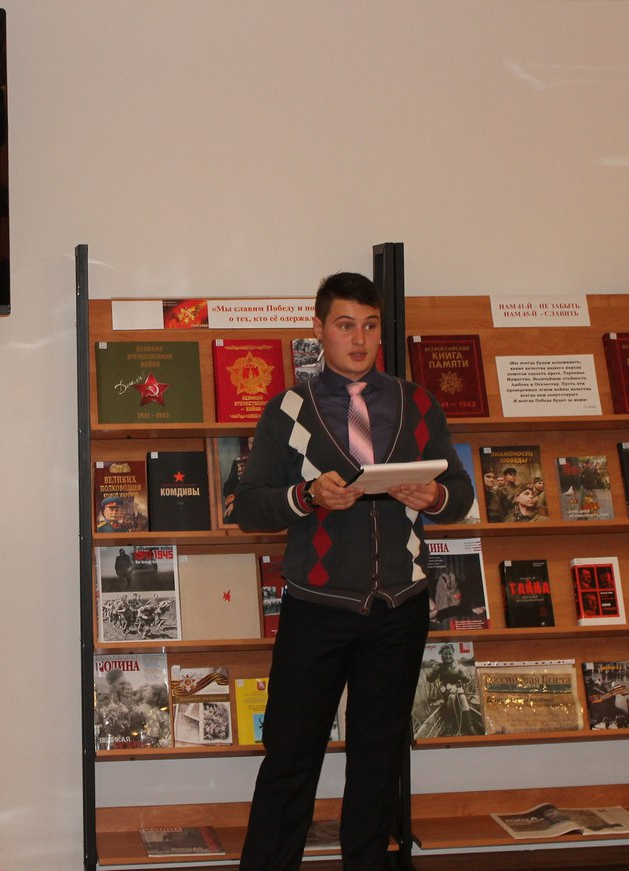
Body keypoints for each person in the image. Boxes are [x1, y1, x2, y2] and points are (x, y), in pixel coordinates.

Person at [234, 271, 474, 870]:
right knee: (290, 757)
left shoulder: (418, 402)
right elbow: (250, 507)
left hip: (399, 608)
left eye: (369, 326)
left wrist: (435, 497)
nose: (359, 340)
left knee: (378, 758)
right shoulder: (288, 409)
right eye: (345, 326)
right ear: (319, 330)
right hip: (315, 607)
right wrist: (306, 495)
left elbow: (461, 493)